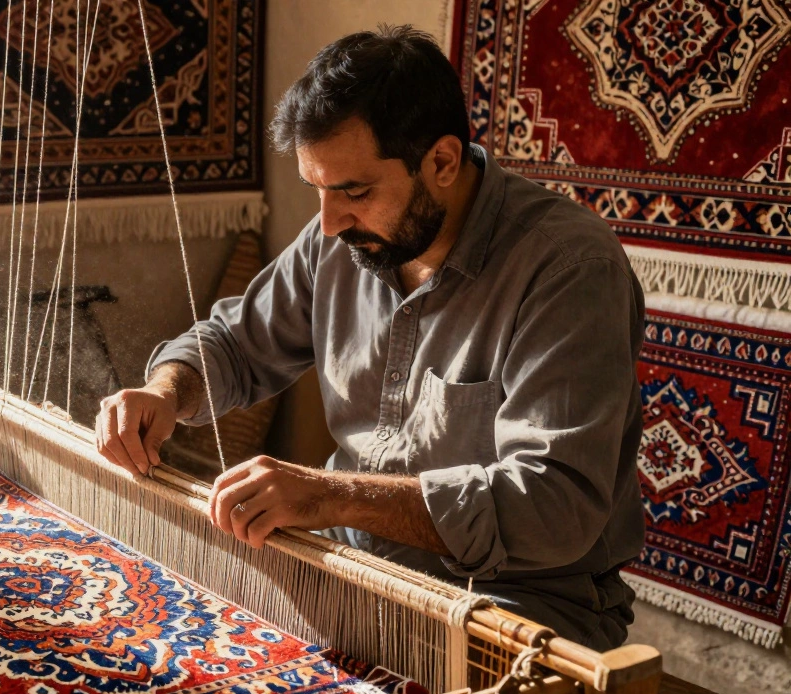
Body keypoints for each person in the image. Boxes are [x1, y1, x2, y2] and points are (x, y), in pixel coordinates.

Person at [94, 25, 645, 651]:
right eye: (319, 191)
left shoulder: (568, 269)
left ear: (440, 161)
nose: (329, 224)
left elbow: (553, 506)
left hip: (510, 601)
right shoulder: (343, 240)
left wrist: (335, 497)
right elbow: (234, 341)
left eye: (353, 191)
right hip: (352, 565)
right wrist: (165, 390)